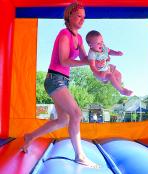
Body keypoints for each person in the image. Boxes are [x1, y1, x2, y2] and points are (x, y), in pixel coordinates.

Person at [21, 2, 99, 168]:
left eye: (84, 17)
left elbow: (86, 59)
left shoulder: (78, 39)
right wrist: (86, 63)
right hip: (54, 79)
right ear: (69, 16)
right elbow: (64, 61)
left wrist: (98, 60)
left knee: (63, 120)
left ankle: (30, 136)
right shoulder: (64, 34)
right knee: (76, 114)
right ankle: (80, 156)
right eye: (78, 16)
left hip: (63, 81)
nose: (82, 20)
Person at [86, 30, 133, 96]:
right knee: (110, 76)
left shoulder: (103, 47)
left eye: (102, 41)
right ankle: (122, 91)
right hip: (100, 71)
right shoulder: (92, 53)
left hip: (107, 67)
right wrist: (97, 72)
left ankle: (120, 88)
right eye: (98, 43)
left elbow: (109, 51)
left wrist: (116, 53)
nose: (101, 44)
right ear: (91, 45)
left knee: (119, 74)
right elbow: (92, 66)